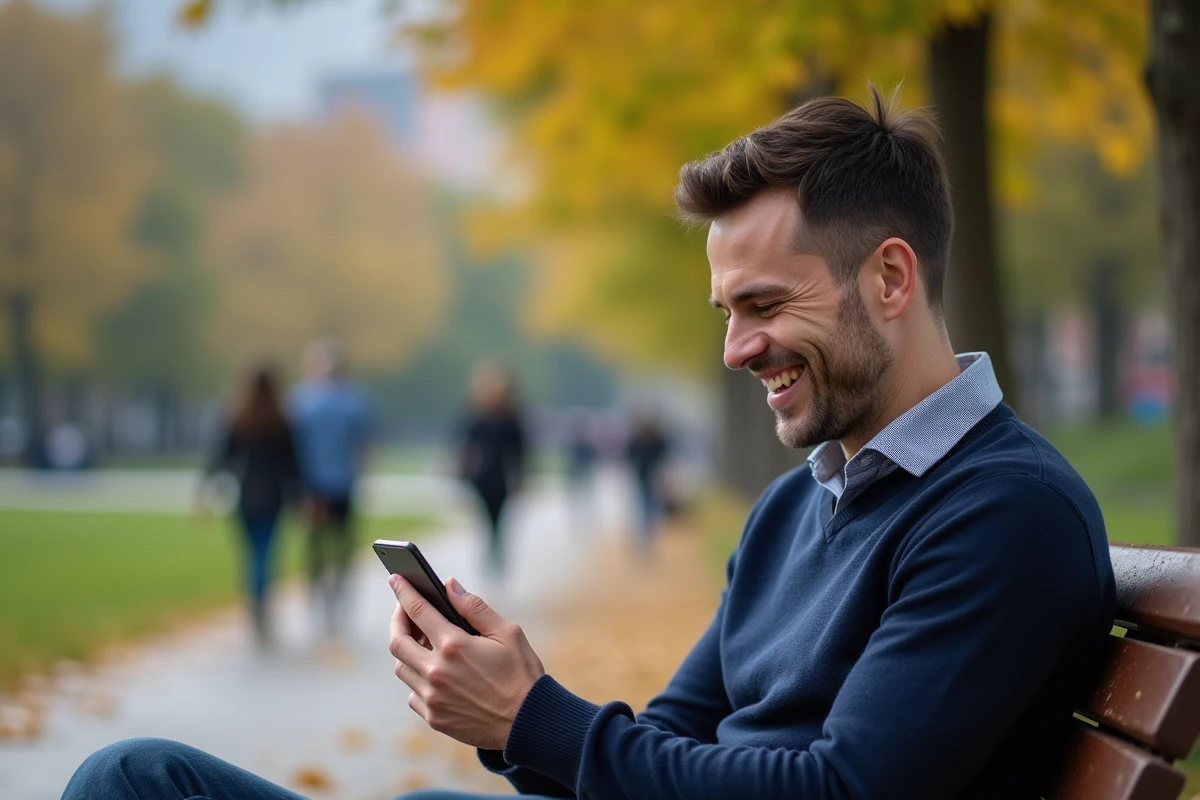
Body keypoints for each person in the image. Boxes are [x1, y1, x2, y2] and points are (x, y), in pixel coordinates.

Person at [63, 89, 1116, 800]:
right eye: (722, 309)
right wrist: (505, 710)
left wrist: (537, 719)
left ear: (890, 279)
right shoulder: (801, 503)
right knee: (141, 775)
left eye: (760, 304)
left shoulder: (1004, 511)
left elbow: (841, 790)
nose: (735, 348)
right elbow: (669, 737)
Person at [199, 364, 300, 645]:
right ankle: (261, 604)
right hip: (272, 496)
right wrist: (300, 496)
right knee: (265, 554)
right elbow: (292, 466)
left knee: (251, 555)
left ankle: (254, 604)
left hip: (245, 496)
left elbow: (219, 458)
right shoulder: (281, 419)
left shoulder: (238, 417)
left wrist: (204, 493)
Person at [289, 338, 375, 638]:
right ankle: (326, 597)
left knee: (334, 544)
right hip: (321, 485)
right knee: (326, 545)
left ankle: (331, 596)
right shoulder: (349, 400)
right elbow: (367, 444)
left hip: (333, 484)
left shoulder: (302, 400)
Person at [456, 363, 527, 579]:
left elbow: (520, 452)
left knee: (499, 522)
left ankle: (497, 559)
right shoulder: (475, 418)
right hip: (482, 479)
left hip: (502, 479)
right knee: (487, 521)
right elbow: (465, 446)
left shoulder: (511, 420)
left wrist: (519, 478)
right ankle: (491, 559)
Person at [624, 412, 670, 552]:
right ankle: (641, 538)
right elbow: (629, 455)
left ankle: (647, 539)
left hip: (654, 480)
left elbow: (663, 456)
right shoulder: (637, 440)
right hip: (641, 478)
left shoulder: (657, 440)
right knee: (642, 509)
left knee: (649, 510)